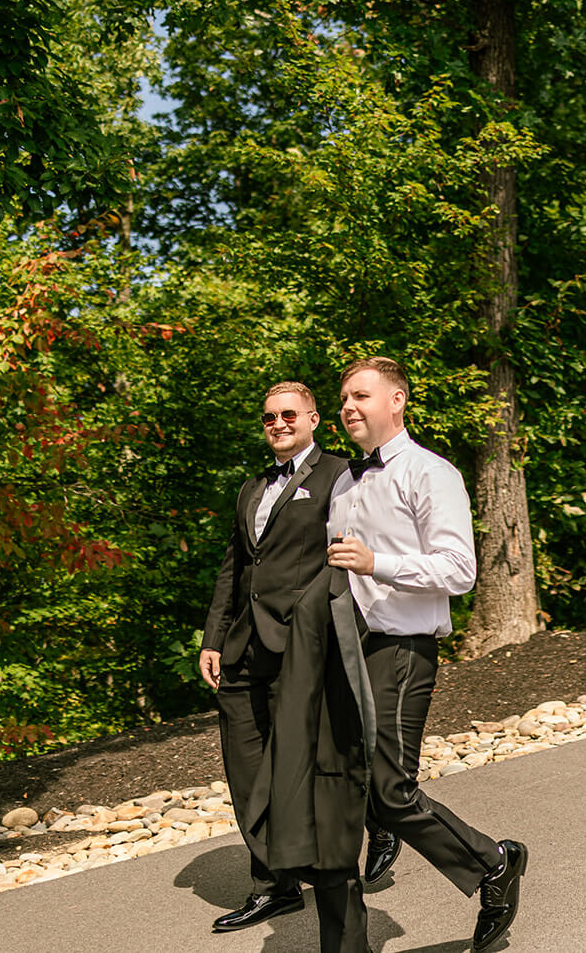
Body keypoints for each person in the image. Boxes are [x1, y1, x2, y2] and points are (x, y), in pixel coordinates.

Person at [325, 357, 527, 952]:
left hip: (402, 647)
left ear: (397, 401)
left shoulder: (430, 473)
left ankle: (494, 862)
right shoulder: (343, 483)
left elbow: (459, 570)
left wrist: (376, 563)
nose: (348, 408)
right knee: (352, 782)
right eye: (342, 399)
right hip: (346, 650)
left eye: (361, 396)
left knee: (390, 788)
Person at [200, 382, 367, 945]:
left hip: (302, 645)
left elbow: (344, 555)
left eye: (288, 414)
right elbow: (235, 569)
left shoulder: (340, 474)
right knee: (245, 765)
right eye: (269, 416)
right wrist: (213, 638)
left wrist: (315, 625)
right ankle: (275, 881)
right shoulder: (251, 488)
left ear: (314, 419)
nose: (278, 423)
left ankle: (331, 857)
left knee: (301, 763)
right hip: (244, 647)